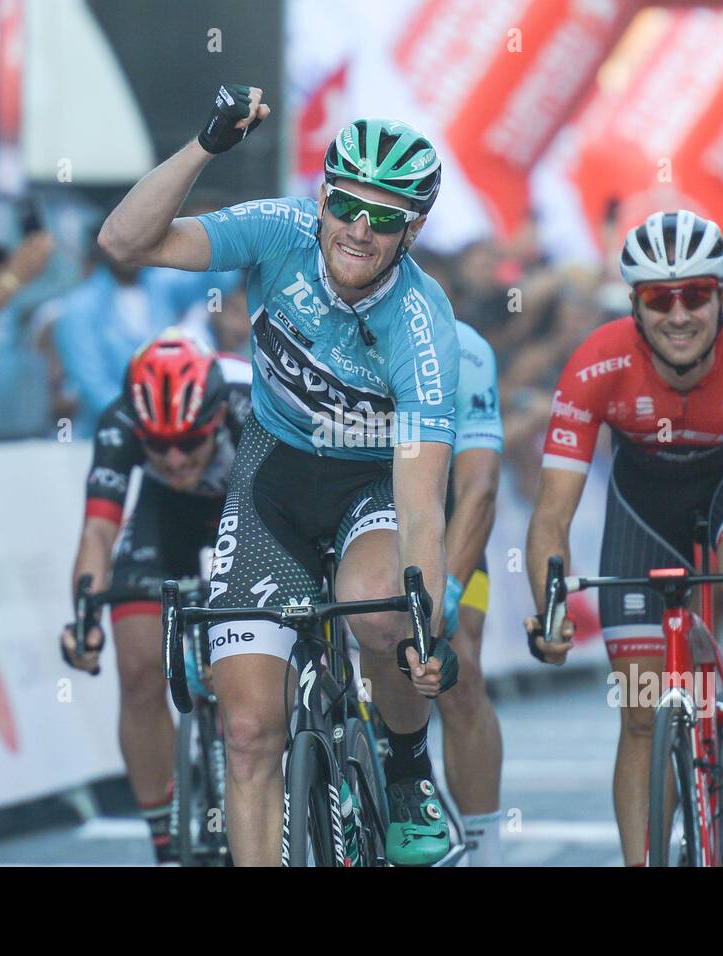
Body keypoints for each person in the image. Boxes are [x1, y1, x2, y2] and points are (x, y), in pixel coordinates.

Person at [100, 88, 462, 867]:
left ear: (414, 230)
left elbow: (423, 501)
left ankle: (405, 771)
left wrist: (422, 624)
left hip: (373, 482)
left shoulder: (423, 327)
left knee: (378, 618)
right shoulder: (283, 229)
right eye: (346, 204)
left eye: (386, 215)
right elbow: (125, 242)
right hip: (274, 468)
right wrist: (205, 147)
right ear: (322, 195)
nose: (359, 230)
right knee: (248, 731)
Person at [525, 210, 723, 866]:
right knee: (639, 713)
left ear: (722, 297)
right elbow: (551, 513)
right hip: (645, 503)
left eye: (696, 295)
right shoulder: (596, 363)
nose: (679, 314)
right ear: (635, 305)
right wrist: (547, 607)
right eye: (661, 298)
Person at [59, 332, 251, 864]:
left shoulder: (250, 399)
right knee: (139, 668)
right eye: (157, 444)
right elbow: (97, 535)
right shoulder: (121, 421)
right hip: (168, 518)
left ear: (213, 419)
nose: (172, 457)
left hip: (254, 504)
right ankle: (166, 841)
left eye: (189, 441)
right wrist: (83, 618)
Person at [435, 320, 504, 866]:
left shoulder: (465, 349)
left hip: (445, 522)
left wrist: (450, 587)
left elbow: (478, 488)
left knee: (460, 671)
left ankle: (483, 846)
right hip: (354, 514)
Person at [53, 226, 233, 436]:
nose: (131, 249)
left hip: (169, 434)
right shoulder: (78, 308)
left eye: (140, 239)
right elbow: (94, 389)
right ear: (103, 245)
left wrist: (210, 232)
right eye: (122, 241)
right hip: (107, 436)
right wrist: (155, 421)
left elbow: (221, 281)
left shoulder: (160, 284)